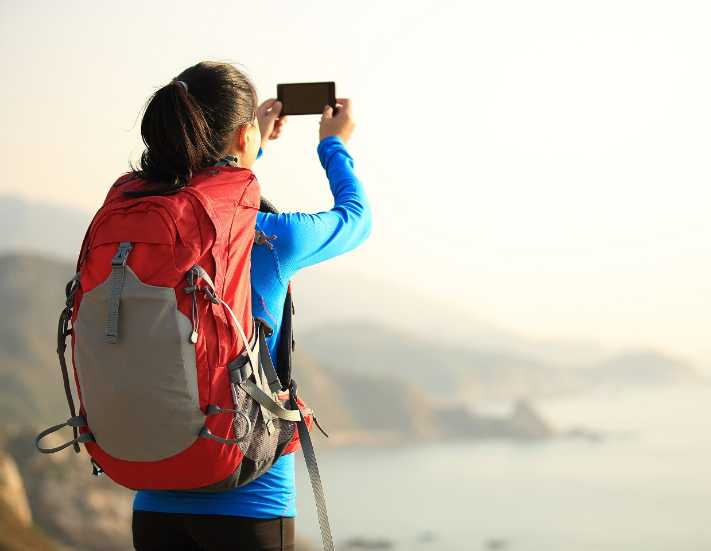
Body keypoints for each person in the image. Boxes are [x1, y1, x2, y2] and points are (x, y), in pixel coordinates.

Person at [129, 61, 371, 550]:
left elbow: (202, 193)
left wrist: (249, 143)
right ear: (242, 137)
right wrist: (333, 143)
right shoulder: (269, 237)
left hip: (155, 502)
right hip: (250, 501)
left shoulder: (142, 228)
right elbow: (355, 218)